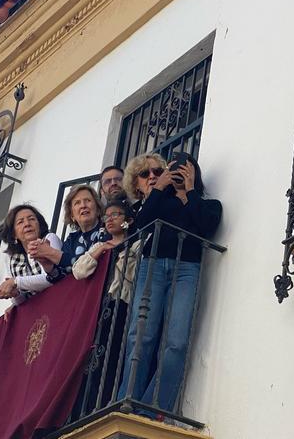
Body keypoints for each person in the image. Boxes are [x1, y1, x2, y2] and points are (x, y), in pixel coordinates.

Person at [118, 152, 222, 416]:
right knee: (141, 336)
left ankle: (153, 408)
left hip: (187, 270)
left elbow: (206, 227)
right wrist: (160, 187)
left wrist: (190, 191)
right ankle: (125, 402)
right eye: (173, 170)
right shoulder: (159, 203)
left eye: (184, 170)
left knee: (176, 342)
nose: (177, 174)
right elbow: (142, 224)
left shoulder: (209, 205)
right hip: (151, 267)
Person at [73, 200, 140, 410]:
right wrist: (101, 249)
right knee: (91, 357)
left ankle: (104, 403)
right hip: (100, 306)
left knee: (112, 353)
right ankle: (86, 406)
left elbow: (132, 277)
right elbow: (78, 271)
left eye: (115, 215)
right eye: (107, 216)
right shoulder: (99, 246)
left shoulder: (137, 245)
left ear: (128, 221)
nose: (109, 219)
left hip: (122, 304)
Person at [26, 184, 110, 283]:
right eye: (77, 203)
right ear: (72, 215)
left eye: (88, 200)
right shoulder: (71, 240)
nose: (83, 205)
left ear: (98, 209)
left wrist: (51, 252)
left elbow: (86, 265)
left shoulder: (107, 229)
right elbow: (60, 277)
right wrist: (46, 264)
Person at [0, 205, 62, 304]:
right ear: (14, 234)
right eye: (20, 222)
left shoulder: (49, 239)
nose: (27, 224)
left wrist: (15, 282)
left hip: (59, 300)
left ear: (39, 225)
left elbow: (51, 278)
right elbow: (21, 301)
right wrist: (15, 294)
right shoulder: (11, 258)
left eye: (31, 219)